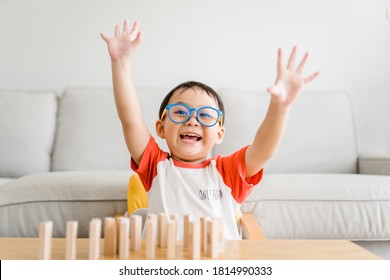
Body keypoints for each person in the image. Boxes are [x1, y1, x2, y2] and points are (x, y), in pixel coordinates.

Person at [101, 19, 319, 239]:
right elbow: (130, 121)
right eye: (180, 112)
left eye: (205, 115)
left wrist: (280, 106)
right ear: (161, 127)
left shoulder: (227, 173)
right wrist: (120, 63)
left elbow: (263, 150)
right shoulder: (155, 167)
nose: (193, 121)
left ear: (219, 134)